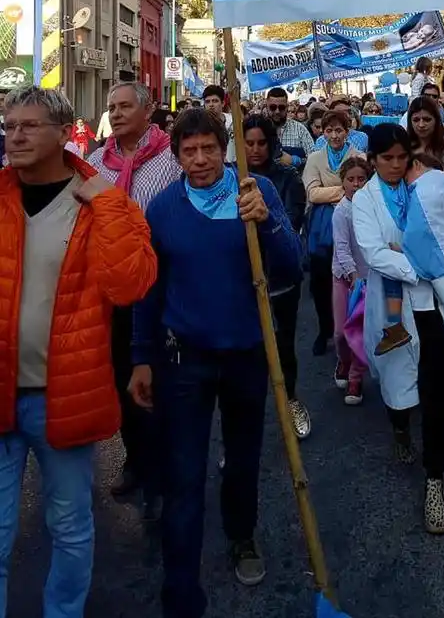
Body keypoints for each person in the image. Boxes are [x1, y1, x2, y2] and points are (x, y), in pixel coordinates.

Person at [129, 108, 302, 617]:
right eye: (189, 151)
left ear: (223, 149)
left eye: (209, 149)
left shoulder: (256, 193)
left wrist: (268, 225)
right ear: (176, 155)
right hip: (185, 359)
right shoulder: (163, 208)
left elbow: (291, 268)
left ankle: (242, 535)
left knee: (243, 458)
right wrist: (141, 357)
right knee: (184, 470)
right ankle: (180, 584)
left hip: (250, 355)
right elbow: (148, 292)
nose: (200, 160)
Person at [0, 87, 156, 618]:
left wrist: (108, 205)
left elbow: (129, 285)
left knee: (68, 526)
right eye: (9, 124)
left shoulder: (101, 199)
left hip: (63, 395)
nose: (15, 135)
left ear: (66, 134)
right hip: (0, 392)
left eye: (28, 125)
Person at [353, 124, 444, 535]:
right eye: (387, 159)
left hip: (436, 307)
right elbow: (375, 251)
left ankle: (435, 481)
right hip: (397, 306)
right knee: (397, 387)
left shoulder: (427, 186)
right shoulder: (365, 200)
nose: (396, 165)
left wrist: (433, 261)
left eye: (401, 157)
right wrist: (419, 266)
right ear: (374, 161)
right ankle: (399, 428)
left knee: (435, 390)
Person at [88, 82, 182, 508]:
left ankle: (166, 464)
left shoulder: (172, 159)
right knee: (123, 379)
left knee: (162, 381)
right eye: (112, 107)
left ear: (149, 112)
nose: (117, 113)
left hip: (162, 288)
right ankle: (135, 460)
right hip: (113, 296)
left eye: (126, 106)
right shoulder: (94, 165)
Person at [242, 114, 310, 439]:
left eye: (261, 143)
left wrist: (267, 220)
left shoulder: (287, 177)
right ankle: (241, 429)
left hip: (281, 278)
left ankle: (291, 399)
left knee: (283, 344)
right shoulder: (230, 178)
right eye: (249, 143)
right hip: (244, 281)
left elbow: (292, 223)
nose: (255, 150)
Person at [303, 111, 364, 355]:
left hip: (353, 223)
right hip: (321, 228)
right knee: (321, 281)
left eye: (339, 130)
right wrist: (344, 189)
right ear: (322, 132)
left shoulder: (358, 156)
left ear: (347, 131)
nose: (334, 135)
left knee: (352, 276)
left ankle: (352, 327)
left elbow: (362, 188)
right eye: (329, 130)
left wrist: (329, 191)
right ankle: (324, 329)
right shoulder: (315, 158)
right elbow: (312, 193)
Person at [332, 156, 372, 406]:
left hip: (368, 279)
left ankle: (356, 378)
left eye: (361, 179)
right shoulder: (341, 211)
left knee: (360, 331)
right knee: (339, 332)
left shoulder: (371, 208)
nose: (356, 184)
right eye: (351, 179)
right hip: (344, 278)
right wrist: (352, 276)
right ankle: (343, 360)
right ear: (343, 182)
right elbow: (342, 248)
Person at [407, 95, 444, 194]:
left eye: (427, 119)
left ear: (436, 120)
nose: (421, 125)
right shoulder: (404, 151)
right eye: (416, 120)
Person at [266, 87, 314, 166]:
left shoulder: (300, 129)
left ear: (287, 107)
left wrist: (296, 161)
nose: (277, 111)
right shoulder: (259, 130)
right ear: (267, 106)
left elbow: (313, 158)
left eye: (281, 107)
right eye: (273, 107)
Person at [203, 84, 235, 161]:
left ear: (223, 103)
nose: (211, 105)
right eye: (207, 102)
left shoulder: (234, 123)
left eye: (215, 101)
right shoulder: (199, 125)